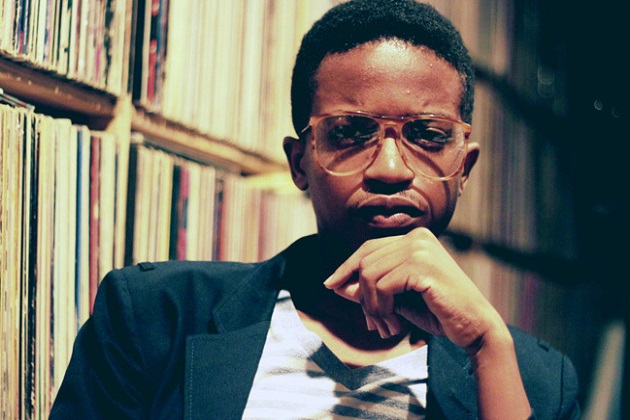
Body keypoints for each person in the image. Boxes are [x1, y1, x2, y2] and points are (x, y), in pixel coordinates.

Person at [50, 0, 580, 418]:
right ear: (299, 162)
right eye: (350, 132)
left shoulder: (531, 379)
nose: (390, 169)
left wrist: (486, 347)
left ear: (464, 167)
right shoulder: (154, 318)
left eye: (428, 135)